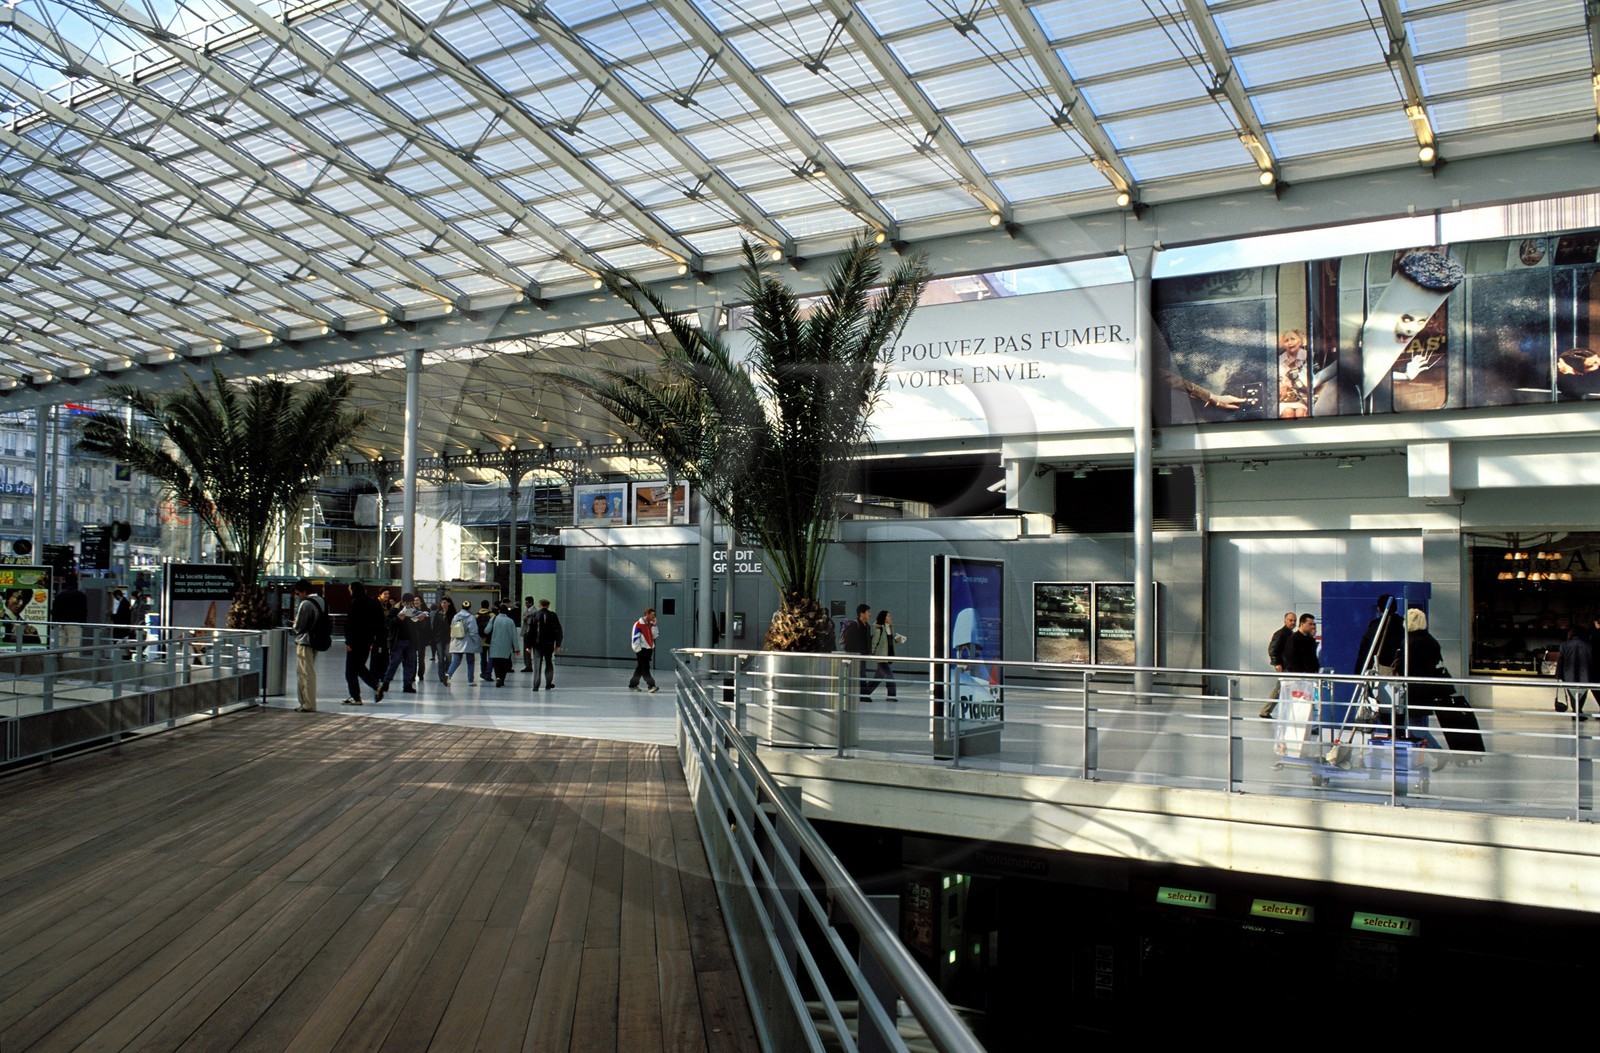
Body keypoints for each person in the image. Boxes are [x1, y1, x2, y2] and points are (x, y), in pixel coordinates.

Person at [341, 581, 385, 706]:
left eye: (350, 589)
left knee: (350, 671)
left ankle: (356, 697)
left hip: (355, 641)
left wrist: (348, 641)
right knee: (359, 667)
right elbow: (379, 622)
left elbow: (351, 623)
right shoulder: (372, 602)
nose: (349, 592)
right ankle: (375, 685)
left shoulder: (355, 602)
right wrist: (373, 640)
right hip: (367, 641)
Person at [290, 579, 323, 712]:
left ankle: (307, 703)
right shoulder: (322, 601)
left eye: (298, 593)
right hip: (317, 640)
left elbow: (299, 627)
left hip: (305, 641)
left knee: (305, 673)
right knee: (309, 670)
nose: (298, 596)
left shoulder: (305, 604)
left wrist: (293, 625)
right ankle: (307, 703)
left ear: (304, 591)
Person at [379, 591, 417, 693]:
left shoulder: (414, 610)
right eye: (407, 603)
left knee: (410, 662)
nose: (409, 605)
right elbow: (388, 623)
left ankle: (407, 684)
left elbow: (418, 626)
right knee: (394, 662)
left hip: (411, 641)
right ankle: (386, 682)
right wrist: (399, 618)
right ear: (403, 602)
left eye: (411, 603)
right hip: (398, 640)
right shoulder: (394, 609)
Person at [1260, 611, 1296, 718]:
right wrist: (1277, 663)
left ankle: (1266, 710)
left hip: (1287, 666)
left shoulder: (1290, 633)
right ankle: (1266, 711)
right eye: (1290, 620)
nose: (1293, 622)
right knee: (1280, 688)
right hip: (1283, 666)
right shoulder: (1281, 634)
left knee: (1282, 688)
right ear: (1285, 621)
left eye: (1294, 620)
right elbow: (1272, 649)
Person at [866, 609, 907, 701]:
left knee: (877, 679)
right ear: (884, 618)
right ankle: (891, 696)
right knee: (890, 677)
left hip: (887, 656)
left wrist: (897, 640)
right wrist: (871, 654)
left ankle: (864, 693)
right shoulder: (879, 629)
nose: (890, 617)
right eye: (888, 616)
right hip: (881, 657)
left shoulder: (889, 628)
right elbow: (874, 642)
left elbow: (888, 641)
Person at [1556, 625, 1593, 718]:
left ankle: (1576, 712)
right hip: (1585, 673)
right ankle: (1579, 712)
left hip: (1568, 673)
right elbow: (1592, 660)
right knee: (1582, 693)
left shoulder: (1565, 645)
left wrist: (1558, 675)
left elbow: (1560, 660)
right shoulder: (1588, 645)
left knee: (1572, 694)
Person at [528, 598, 564, 689]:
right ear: (548, 605)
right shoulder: (553, 615)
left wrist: (529, 645)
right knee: (548, 662)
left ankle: (536, 685)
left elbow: (530, 631)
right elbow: (558, 630)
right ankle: (548, 683)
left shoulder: (535, 615)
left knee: (537, 663)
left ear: (540, 605)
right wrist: (558, 645)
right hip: (549, 643)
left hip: (537, 644)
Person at [841, 603, 875, 698]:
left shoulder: (867, 626)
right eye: (868, 612)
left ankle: (862, 695)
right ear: (862, 614)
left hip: (863, 656)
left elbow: (867, 639)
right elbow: (848, 641)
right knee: (859, 676)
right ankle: (863, 696)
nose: (870, 614)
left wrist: (869, 652)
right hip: (854, 656)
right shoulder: (853, 625)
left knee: (861, 675)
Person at [444, 600, 481, 684]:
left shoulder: (456, 616)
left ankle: (448, 675)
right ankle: (470, 680)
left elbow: (451, 627)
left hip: (456, 641)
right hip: (468, 642)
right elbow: (473, 631)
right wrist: (476, 642)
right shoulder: (471, 617)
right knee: (470, 661)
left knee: (456, 661)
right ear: (470, 608)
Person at [486, 603, 519, 687]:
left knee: (496, 662)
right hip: (506, 646)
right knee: (504, 663)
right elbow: (514, 636)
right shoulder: (510, 621)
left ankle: (497, 678)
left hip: (494, 644)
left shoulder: (494, 619)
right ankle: (502, 679)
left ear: (499, 611)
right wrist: (517, 648)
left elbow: (486, 630)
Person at [53, 573, 87, 649]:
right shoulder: (81, 595)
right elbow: (84, 611)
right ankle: (73, 661)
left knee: (59, 646)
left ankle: (57, 660)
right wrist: (83, 623)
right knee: (74, 647)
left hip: (61, 623)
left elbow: (55, 610)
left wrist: (54, 622)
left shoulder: (60, 595)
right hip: (75, 623)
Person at [629, 607, 659, 693]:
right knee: (645, 668)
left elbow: (655, 635)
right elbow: (635, 638)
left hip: (649, 649)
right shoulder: (638, 624)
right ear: (647, 614)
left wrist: (654, 625)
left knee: (640, 668)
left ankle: (633, 684)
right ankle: (651, 685)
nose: (654, 616)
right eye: (652, 615)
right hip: (641, 650)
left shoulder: (650, 624)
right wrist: (638, 650)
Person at [409, 593, 433, 682]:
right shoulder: (410, 611)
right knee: (413, 656)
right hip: (413, 636)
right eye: (414, 600)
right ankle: (412, 675)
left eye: (417, 600)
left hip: (423, 637)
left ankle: (421, 674)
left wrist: (430, 638)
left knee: (421, 656)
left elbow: (428, 625)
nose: (416, 601)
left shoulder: (426, 611)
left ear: (421, 602)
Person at [431, 596, 455, 682]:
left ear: (448, 603)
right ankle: (441, 676)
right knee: (440, 657)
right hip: (439, 638)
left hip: (449, 638)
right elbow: (434, 625)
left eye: (445, 602)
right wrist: (434, 636)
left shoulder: (452, 614)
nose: (443, 604)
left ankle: (447, 673)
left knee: (448, 656)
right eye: (442, 602)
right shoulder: (438, 613)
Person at [520, 597, 537, 672]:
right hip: (526, 632)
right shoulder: (527, 610)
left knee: (531, 649)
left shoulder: (534, 612)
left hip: (531, 633)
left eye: (527, 603)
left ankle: (530, 665)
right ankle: (528, 665)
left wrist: (526, 619)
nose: (525, 604)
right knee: (526, 650)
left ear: (531, 603)